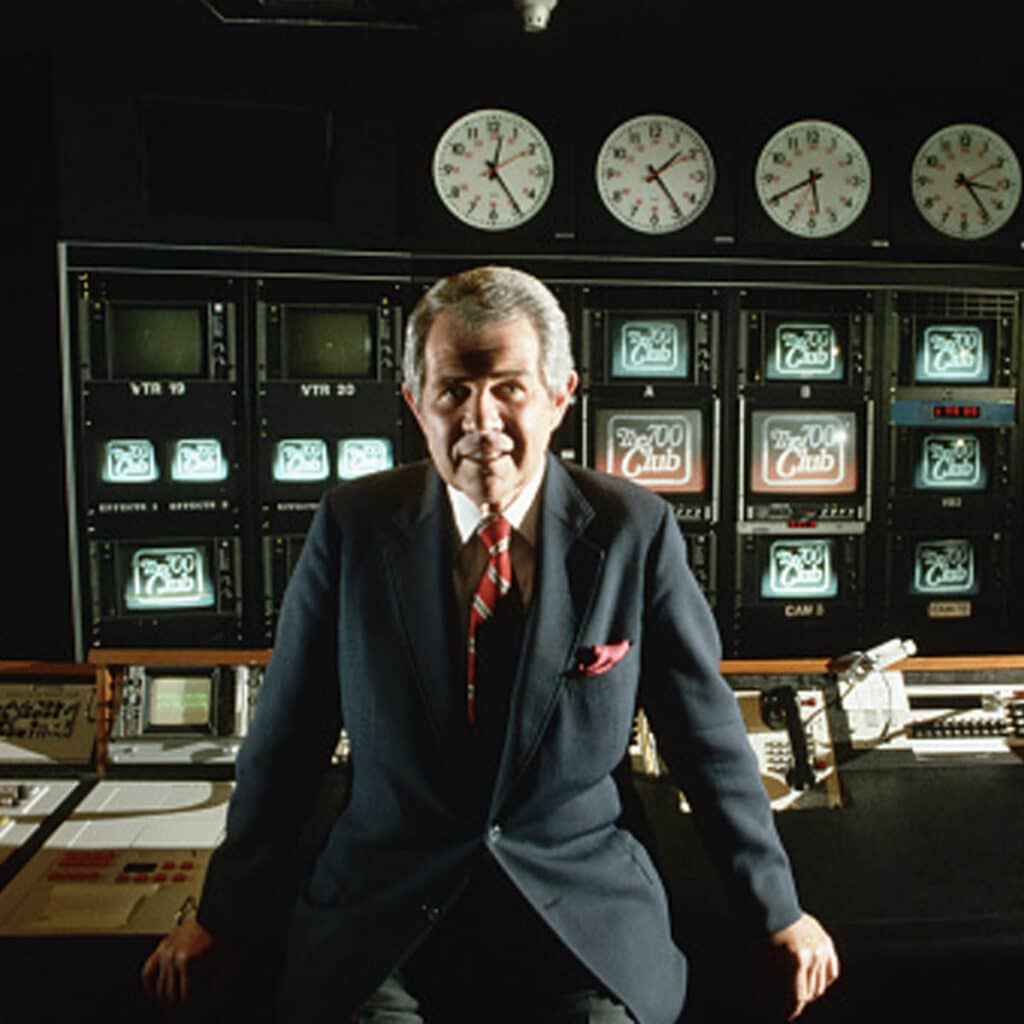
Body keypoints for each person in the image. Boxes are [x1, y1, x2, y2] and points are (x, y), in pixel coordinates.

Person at [142, 265, 839, 1023]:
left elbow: (707, 744)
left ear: (560, 396)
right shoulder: (353, 526)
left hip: (579, 915)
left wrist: (778, 911)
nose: (481, 419)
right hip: (384, 918)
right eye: (453, 390)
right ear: (416, 403)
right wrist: (220, 917)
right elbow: (286, 745)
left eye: (509, 387)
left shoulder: (632, 530)